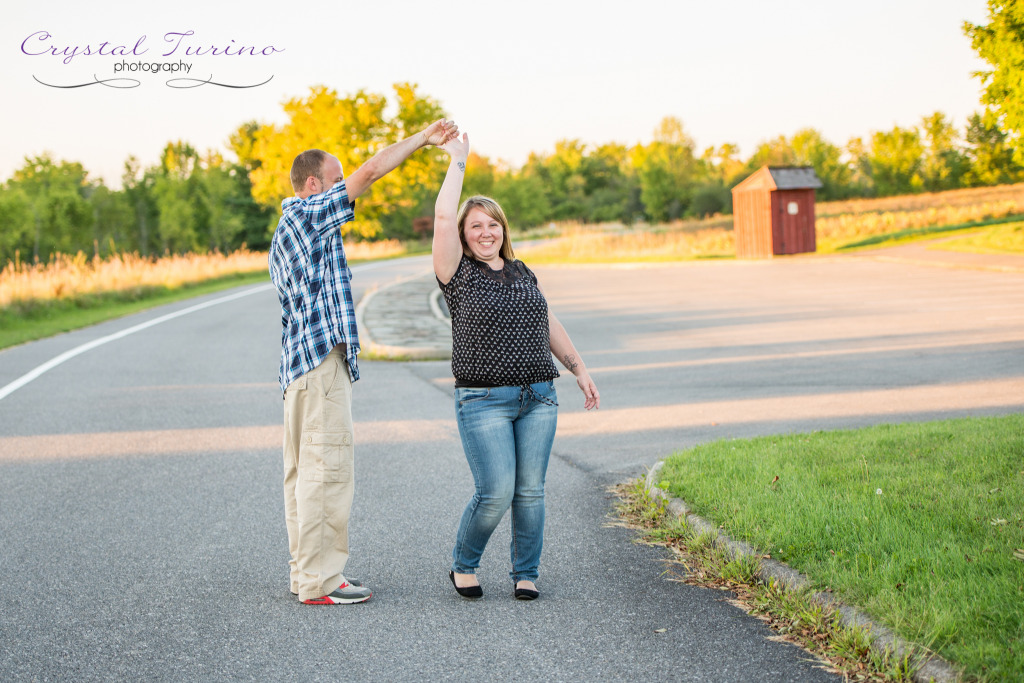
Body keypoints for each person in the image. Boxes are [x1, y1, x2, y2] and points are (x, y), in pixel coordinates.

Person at [270, 118, 458, 605]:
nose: (344, 191)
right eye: (335, 181)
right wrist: (423, 139)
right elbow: (371, 170)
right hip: (319, 367)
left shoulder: (295, 224)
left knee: (303, 475)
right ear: (313, 184)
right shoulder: (309, 214)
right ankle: (321, 582)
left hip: (299, 372)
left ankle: (306, 574)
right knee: (326, 475)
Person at [433, 132, 600, 601]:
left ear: (504, 229)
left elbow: (547, 320)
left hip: (539, 396)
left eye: (493, 225)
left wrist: (578, 369)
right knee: (496, 491)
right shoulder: (457, 274)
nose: (486, 233)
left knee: (531, 491)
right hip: (483, 400)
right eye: (475, 227)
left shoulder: (522, 271)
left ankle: (526, 572)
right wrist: (458, 162)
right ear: (464, 237)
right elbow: (445, 215)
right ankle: (464, 564)